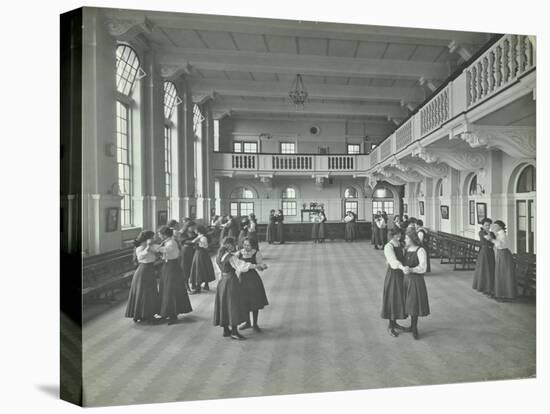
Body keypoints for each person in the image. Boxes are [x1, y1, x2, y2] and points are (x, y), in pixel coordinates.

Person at [214, 237, 267, 340]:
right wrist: (256, 266)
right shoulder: (230, 257)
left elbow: (218, 271)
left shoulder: (217, 256)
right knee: (233, 306)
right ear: (228, 245)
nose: (234, 247)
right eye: (232, 245)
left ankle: (226, 330)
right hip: (231, 282)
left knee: (224, 305)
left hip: (222, 282)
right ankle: (234, 332)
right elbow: (241, 266)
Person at [156, 226, 193, 325]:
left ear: (164, 234)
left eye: (159, 234)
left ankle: (173, 314)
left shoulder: (171, 242)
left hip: (172, 267)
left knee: (171, 290)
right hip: (167, 266)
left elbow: (164, 250)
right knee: (166, 289)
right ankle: (166, 312)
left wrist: (151, 246)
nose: (159, 236)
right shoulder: (167, 242)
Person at [125, 231, 161, 323]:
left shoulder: (151, 247)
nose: (154, 239)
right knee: (143, 293)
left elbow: (157, 253)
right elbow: (140, 258)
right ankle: (140, 314)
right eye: (152, 237)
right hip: (143, 271)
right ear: (147, 239)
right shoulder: (140, 248)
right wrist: (148, 247)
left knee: (149, 293)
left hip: (149, 270)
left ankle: (147, 314)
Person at [402, 229, 430, 340]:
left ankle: (414, 328)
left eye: (407, 238)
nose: (405, 240)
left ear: (412, 239)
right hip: (406, 279)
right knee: (407, 303)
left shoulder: (420, 250)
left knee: (414, 304)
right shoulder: (406, 249)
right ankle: (411, 326)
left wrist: (412, 270)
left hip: (415, 280)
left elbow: (423, 267)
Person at [237, 238, 269, 332]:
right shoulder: (239, 253)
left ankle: (255, 324)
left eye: (248, 245)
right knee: (244, 301)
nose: (246, 247)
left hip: (253, 279)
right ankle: (247, 322)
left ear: (252, 245)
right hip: (242, 279)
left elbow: (260, 266)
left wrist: (262, 267)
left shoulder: (256, 253)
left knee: (255, 302)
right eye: (245, 245)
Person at [381, 227, 408, 337]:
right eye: (396, 235)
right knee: (392, 298)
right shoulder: (388, 246)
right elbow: (393, 261)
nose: (399, 236)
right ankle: (390, 326)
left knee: (399, 298)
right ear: (391, 235)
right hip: (394, 274)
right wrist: (402, 267)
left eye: (400, 234)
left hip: (401, 274)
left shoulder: (399, 244)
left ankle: (395, 323)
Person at [492, 220, 517, 301]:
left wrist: (492, 239)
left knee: (504, 274)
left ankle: (506, 294)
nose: (494, 227)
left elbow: (501, 245)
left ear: (500, 226)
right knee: (500, 273)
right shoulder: (499, 234)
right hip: (501, 254)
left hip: (504, 255)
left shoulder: (503, 234)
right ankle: (500, 293)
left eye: (496, 226)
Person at [189, 225, 217, 294]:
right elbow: (193, 242)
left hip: (201, 253)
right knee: (203, 268)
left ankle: (198, 288)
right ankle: (206, 285)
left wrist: (198, 242)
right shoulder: (199, 236)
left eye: (196, 230)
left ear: (198, 230)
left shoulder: (203, 237)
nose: (194, 231)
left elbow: (205, 246)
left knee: (200, 269)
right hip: (199, 253)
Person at [472, 218, 496, 296]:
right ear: (482, 225)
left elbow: (494, 241)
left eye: (489, 225)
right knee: (484, 269)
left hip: (491, 252)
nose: (488, 227)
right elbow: (489, 239)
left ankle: (491, 287)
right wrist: (490, 235)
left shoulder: (491, 233)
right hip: (484, 252)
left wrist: (492, 235)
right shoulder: (481, 232)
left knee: (491, 268)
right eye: (486, 225)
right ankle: (484, 287)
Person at [179, 220, 197, 293]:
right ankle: (187, 287)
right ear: (188, 227)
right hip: (186, 252)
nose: (193, 228)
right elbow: (183, 242)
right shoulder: (183, 233)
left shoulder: (193, 233)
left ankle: (193, 284)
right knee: (186, 268)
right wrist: (193, 241)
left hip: (193, 251)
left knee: (193, 267)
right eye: (192, 227)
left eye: (194, 227)